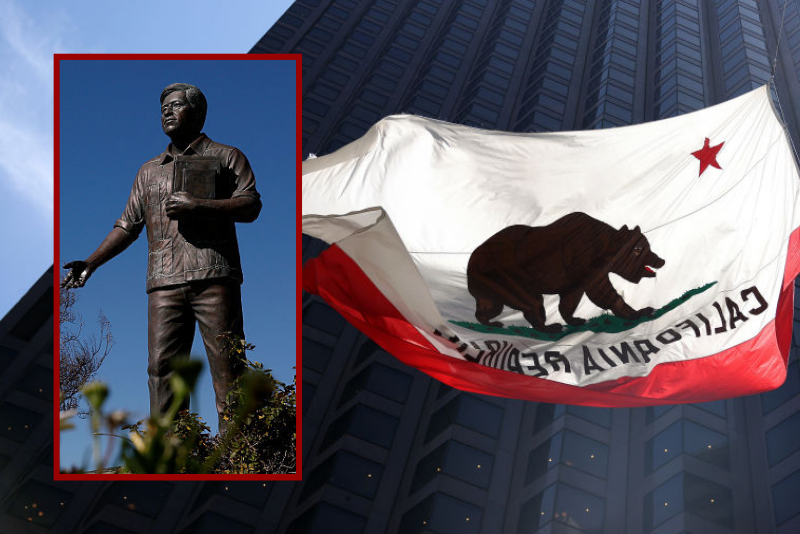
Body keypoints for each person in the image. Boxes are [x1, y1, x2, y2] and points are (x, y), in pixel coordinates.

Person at [62, 83, 261, 433]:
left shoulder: (227, 156)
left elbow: (250, 203)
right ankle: (173, 451)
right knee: (161, 370)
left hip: (213, 275)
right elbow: (127, 225)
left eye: (176, 105)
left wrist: (201, 205)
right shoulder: (149, 171)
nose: (166, 112)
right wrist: (91, 262)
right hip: (164, 282)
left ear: (197, 113)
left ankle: (238, 454)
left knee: (227, 366)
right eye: (163, 108)